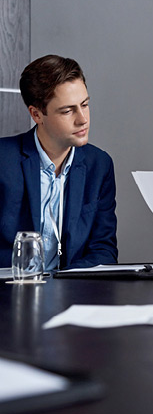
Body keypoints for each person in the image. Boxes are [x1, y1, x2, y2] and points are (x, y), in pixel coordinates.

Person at [0, 55, 118, 270]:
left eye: (85, 105)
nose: (82, 119)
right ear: (36, 114)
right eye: (67, 110)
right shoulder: (3, 160)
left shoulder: (98, 165)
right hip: (9, 291)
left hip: (73, 292)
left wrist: (64, 284)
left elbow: (103, 250)